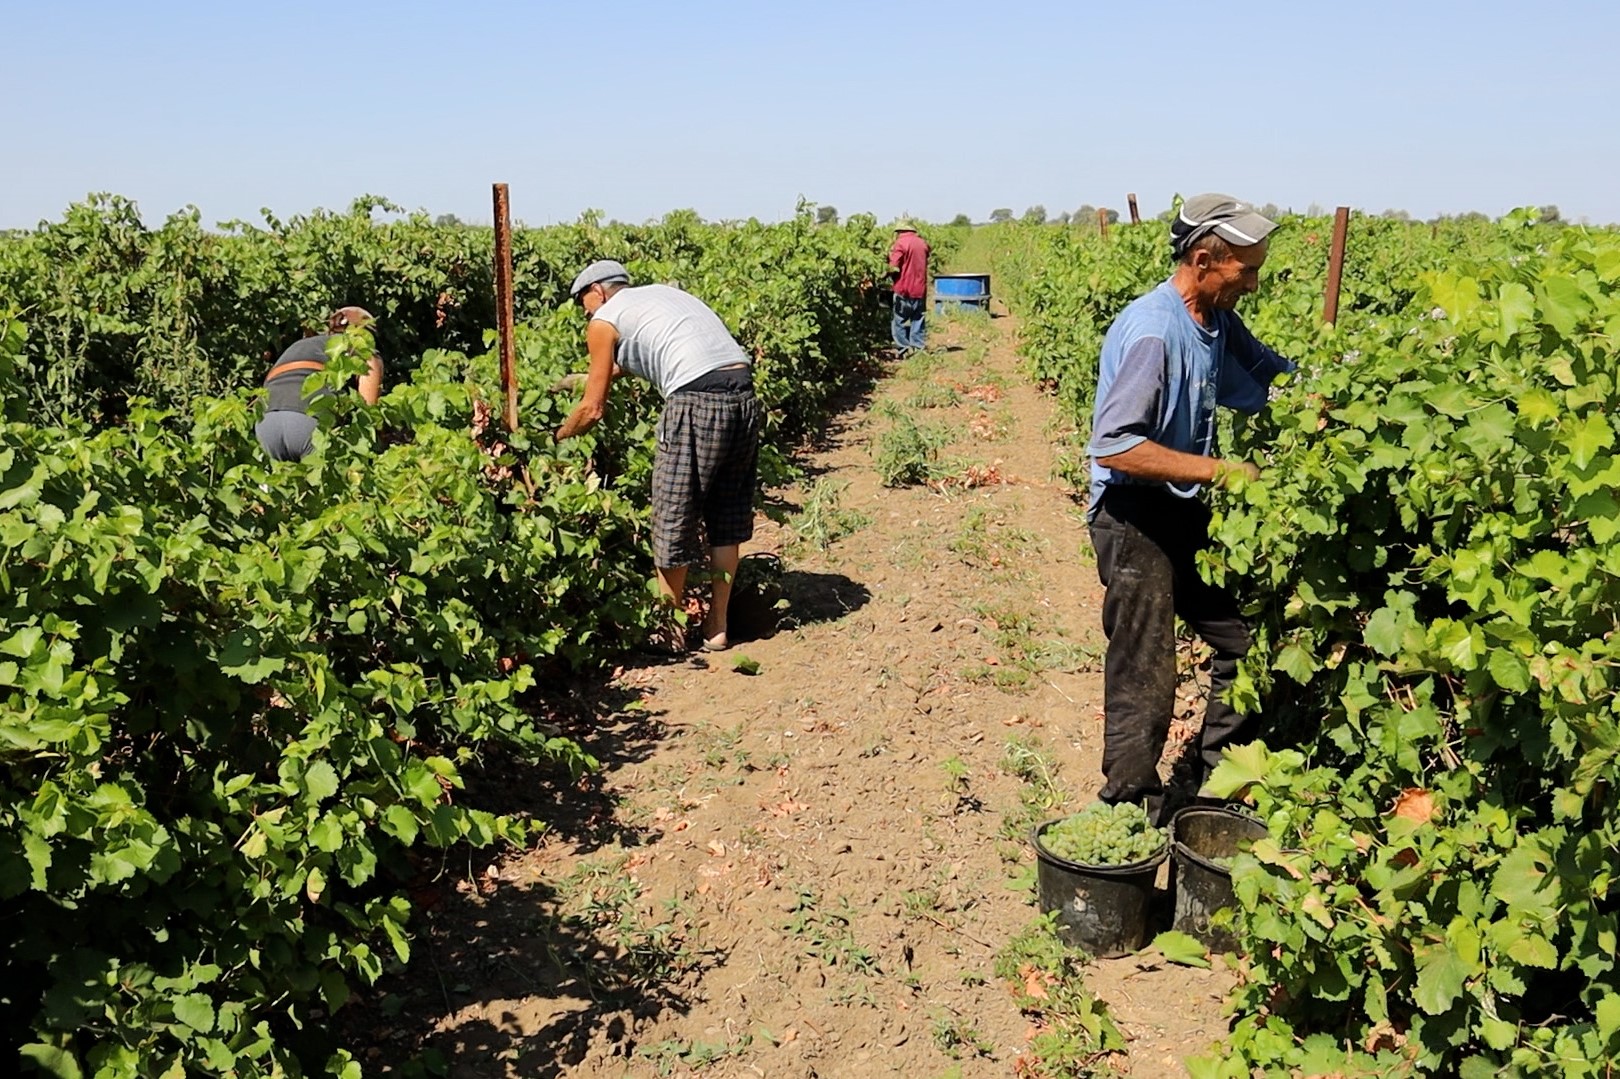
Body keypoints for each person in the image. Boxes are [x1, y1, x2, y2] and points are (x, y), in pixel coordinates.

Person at [1085, 194, 1295, 821]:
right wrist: (1223, 471)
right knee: (1146, 671)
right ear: (1204, 260)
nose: (1253, 284)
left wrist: (1333, 392)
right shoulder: (1155, 332)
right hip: (1130, 516)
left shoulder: (1216, 319)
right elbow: (1116, 445)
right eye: (1245, 271)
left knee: (1243, 641)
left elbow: (1269, 373)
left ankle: (1213, 791)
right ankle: (1128, 812)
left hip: (1180, 510)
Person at [554, 260, 761, 652]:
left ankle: (669, 630)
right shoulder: (660, 297)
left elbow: (593, 409)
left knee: (672, 513)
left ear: (597, 290)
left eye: (585, 303)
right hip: (744, 395)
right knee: (726, 515)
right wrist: (565, 383)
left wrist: (558, 437)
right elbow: (613, 370)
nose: (587, 313)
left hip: (695, 402)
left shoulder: (603, 321)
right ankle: (717, 627)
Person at [255, 306, 383, 461]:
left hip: (266, 423)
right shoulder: (363, 350)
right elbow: (368, 410)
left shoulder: (300, 345)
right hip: (308, 422)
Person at [887, 220, 930, 355]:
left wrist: (886, 274)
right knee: (918, 319)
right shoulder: (922, 243)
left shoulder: (900, 243)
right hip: (920, 288)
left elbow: (894, 266)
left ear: (899, 231)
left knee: (899, 320)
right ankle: (918, 348)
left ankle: (903, 349)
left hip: (904, 288)